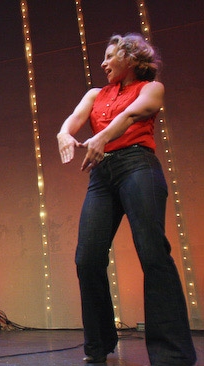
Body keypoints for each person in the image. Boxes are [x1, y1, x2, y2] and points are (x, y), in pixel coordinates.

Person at [57, 33, 197, 365]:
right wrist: (64, 133)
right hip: (102, 176)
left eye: (110, 56)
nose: (103, 63)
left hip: (138, 166)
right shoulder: (94, 94)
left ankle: (172, 354)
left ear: (131, 58)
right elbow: (73, 121)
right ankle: (99, 344)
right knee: (87, 259)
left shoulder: (152, 88)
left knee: (153, 253)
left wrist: (102, 136)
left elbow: (133, 116)